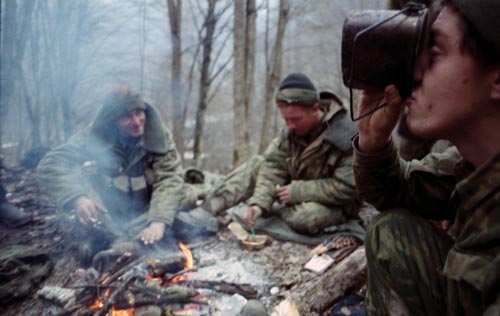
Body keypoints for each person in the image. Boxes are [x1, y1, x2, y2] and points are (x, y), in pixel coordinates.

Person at [352, 0, 500, 315]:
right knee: (391, 230)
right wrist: (373, 141)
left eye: (433, 55)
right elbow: (397, 190)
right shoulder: (472, 165)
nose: (413, 73)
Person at [37, 87, 216, 267]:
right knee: (82, 184)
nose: (137, 121)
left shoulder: (158, 134)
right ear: (113, 120)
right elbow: (51, 164)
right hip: (109, 208)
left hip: (148, 207)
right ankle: (115, 241)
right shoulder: (95, 135)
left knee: (183, 194)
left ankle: (125, 244)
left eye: (139, 113)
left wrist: (158, 222)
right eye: (126, 117)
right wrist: (77, 198)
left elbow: (169, 178)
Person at [201, 73, 360, 236]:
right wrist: (259, 205)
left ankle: (278, 212)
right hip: (293, 190)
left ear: (314, 108)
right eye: (286, 120)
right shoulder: (290, 131)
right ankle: (209, 208)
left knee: (306, 217)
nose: (290, 126)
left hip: (334, 203)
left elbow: (348, 187)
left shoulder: (346, 133)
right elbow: (273, 167)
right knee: (257, 163)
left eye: (296, 119)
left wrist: (299, 191)